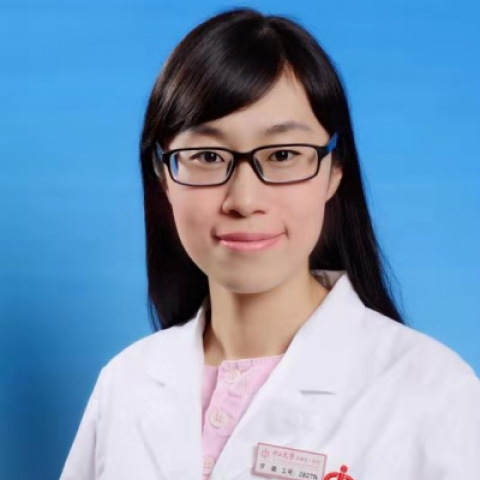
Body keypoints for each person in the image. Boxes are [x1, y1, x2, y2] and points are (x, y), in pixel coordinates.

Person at [59, 7, 480, 480]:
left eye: (283, 154)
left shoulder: (433, 392)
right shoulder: (126, 384)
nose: (244, 200)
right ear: (163, 176)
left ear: (334, 171)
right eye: (207, 156)